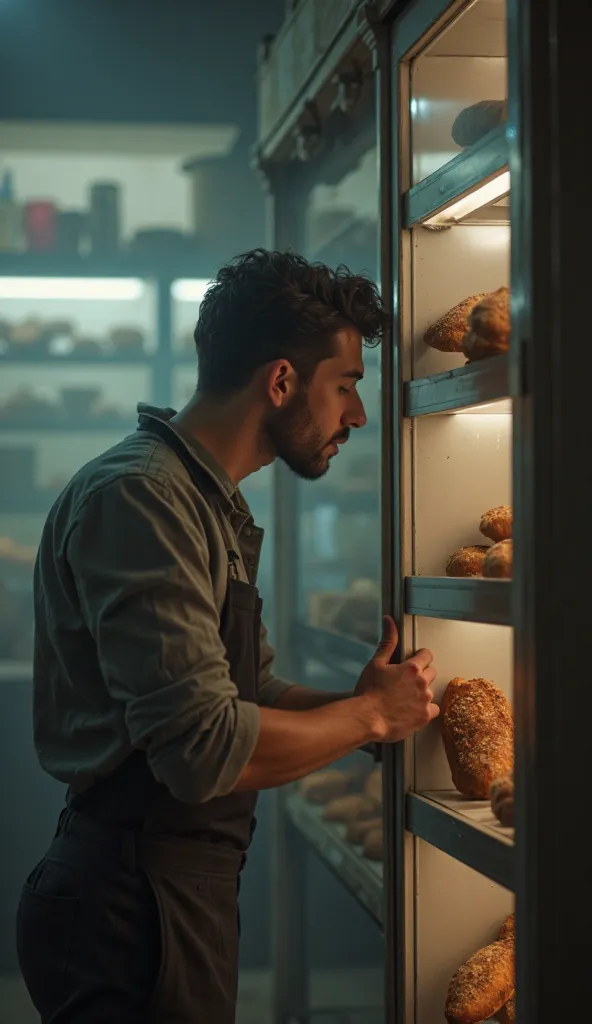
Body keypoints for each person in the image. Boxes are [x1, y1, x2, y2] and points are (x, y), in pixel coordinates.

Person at [17, 249, 439, 1023]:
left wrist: (360, 710)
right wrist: (371, 719)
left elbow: (248, 695)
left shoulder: (204, 501)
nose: (358, 416)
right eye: (345, 386)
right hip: (128, 900)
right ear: (280, 381)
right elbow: (203, 746)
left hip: (170, 889)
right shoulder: (144, 498)